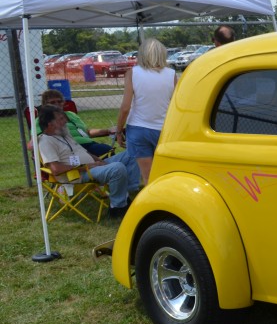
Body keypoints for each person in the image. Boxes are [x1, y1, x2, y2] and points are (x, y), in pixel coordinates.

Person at [37, 104, 141, 219]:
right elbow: (56, 169)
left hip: (92, 166)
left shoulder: (64, 133)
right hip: (78, 174)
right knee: (118, 168)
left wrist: (99, 161)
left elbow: (82, 151)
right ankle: (117, 208)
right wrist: (88, 166)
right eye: (61, 119)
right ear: (50, 124)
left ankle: (126, 193)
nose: (65, 121)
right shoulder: (45, 141)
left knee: (134, 153)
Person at [115, 38, 176, 185]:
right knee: (167, 174)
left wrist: (118, 131)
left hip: (138, 129)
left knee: (148, 177)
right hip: (164, 130)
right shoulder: (172, 74)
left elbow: (125, 108)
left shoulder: (132, 73)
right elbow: (176, 105)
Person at [34, 89, 116, 158]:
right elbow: (40, 139)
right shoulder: (41, 120)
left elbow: (87, 132)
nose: (57, 104)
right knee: (105, 150)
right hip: (70, 148)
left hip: (89, 144)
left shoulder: (71, 114)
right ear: (45, 105)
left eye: (59, 101)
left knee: (106, 150)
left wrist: (108, 131)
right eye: (52, 102)